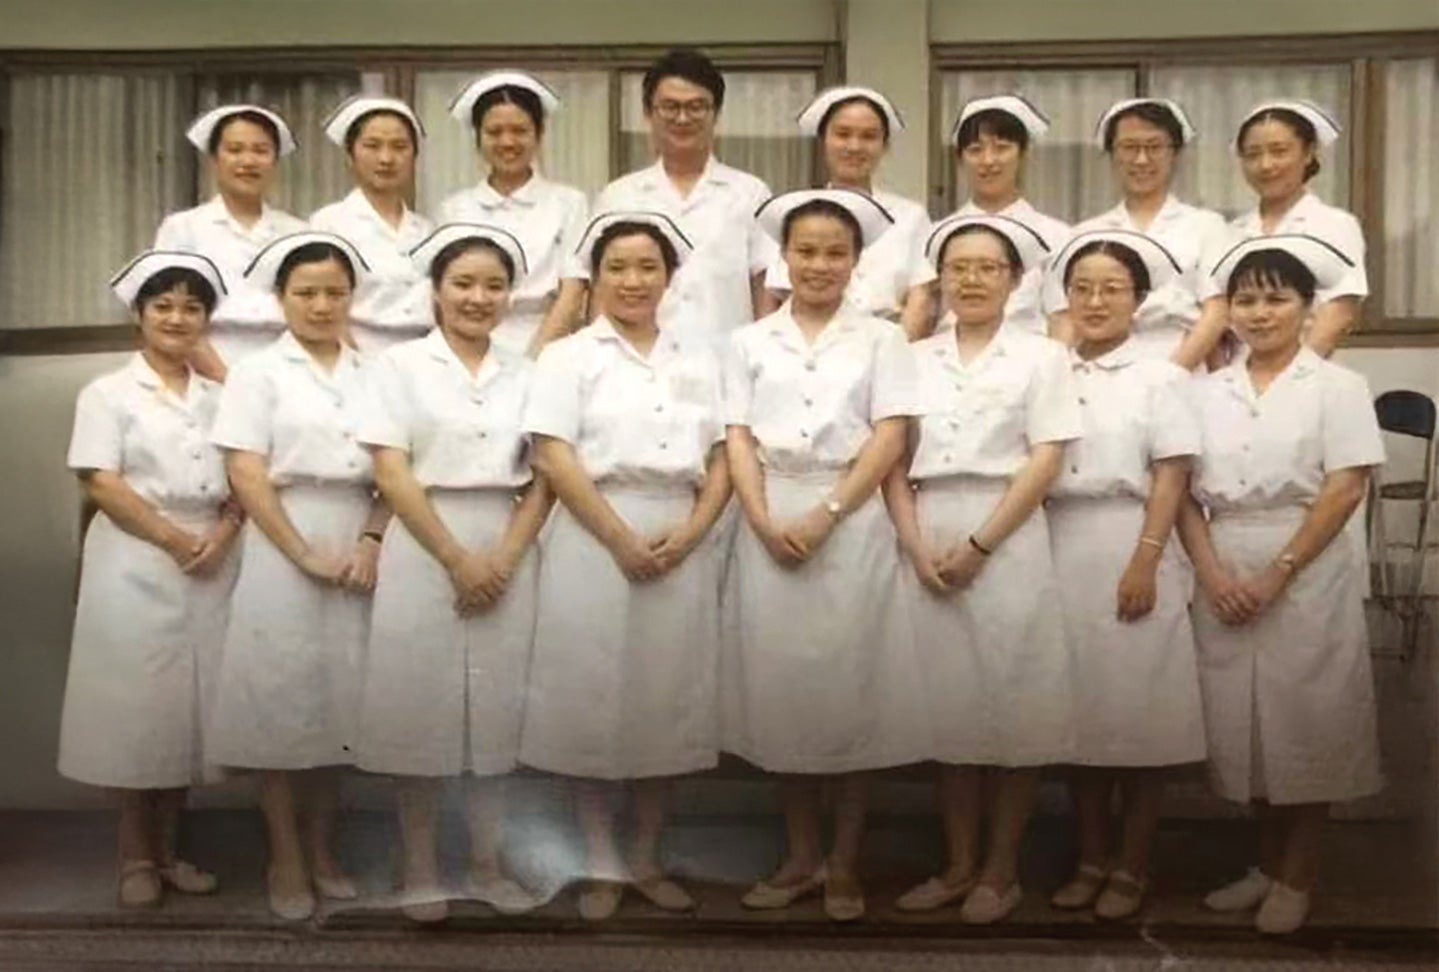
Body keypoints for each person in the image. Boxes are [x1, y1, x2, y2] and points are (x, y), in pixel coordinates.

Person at [519, 211, 731, 921]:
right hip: (591, 533)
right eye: (617, 268)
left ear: (669, 277)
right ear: (595, 278)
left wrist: (694, 531)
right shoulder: (567, 357)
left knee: (662, 701)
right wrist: (615, 538)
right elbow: (553, 455)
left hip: (678, 534)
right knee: (592, 698)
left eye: (647, 268)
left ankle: (643, 855)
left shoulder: (701, 358)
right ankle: (598, 858)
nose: (633, 281)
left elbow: (725, 457)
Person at [724, 188, 924, 923]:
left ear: (855, 261)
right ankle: (800, 856)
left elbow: (889, 436)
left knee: (851, 694)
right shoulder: (747, 343)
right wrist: (762, 516)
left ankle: (844, 862)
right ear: (782, 257)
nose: (818, 264)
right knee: (786, 701)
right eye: (804, 251)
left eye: (834, 252)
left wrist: (829, 512)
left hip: (850, 524)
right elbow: (737, 436)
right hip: (770, 519)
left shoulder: (882, 340)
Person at [1178, 234, 1383, 935]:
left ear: (1307, 308)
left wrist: (1276, 574)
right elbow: (1179, 493)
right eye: (1245, 299)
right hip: (1224, 561)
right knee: (1247, 726)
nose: (1259, 313)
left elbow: (1344, 486)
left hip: (1305, 564)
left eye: (1276, 299)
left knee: (1306, 720)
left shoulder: (1337, 387)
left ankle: (1298, 874)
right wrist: (1210, 573)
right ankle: (1263, 865)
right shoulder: (1204, 391)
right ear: (1226, 310)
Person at [885, 213, 1080, 925]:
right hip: (927, 528)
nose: (970, 280)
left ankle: (1001, 870)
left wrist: (980, 546)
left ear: (1015, 281)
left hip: (1006, 532)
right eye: (957, 269)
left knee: (1014, 706)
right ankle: (957, 864)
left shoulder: (1041, 357)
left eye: (986, 268)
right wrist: (915, 546)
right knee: (951, 713)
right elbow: (892, 461)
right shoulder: (912, 356)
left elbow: (1045, 458)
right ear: (939, 281)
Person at [355, 223, 550, 923]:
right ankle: (418, 869)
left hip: (506, 546)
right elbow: (391, 472)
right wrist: (454, 558)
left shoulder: (529, 372)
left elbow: (545, 477)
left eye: (493, 285)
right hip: (423, 544)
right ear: (435, 291)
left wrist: (501, 557)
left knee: (497, 714)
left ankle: (488, 864)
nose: (478, 297)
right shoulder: (396, 370)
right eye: (462, 283)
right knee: (421, 711)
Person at [205, 231, 387, 921]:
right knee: (280, 705)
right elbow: (246, 473)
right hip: (284, 538)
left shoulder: (374, 372)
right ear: (280, 298)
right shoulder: (258, 373)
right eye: (305, 293)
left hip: (356, 540)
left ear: (351, 298)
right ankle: (284, 856)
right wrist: (302, 552)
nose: (320, 305)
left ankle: (323, 850)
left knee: (340, 705)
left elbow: (392, 471)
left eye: (333, 293)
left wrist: (371, 539)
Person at [58, 251, 241, 909]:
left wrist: (218, 537)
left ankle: (170, 852)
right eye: (163, 305)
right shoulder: (107, 393)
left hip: (210, 560)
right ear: (139, 314)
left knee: (185, 713)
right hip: (136, 560)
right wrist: (173, 538)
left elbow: (245, 480)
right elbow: (100, 480)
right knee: (138, 711)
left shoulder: (223, 397)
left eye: (191, 307)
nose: (177, 318)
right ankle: (134, 857)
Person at [1041, 230, 1206, 921]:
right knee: (1078, 721)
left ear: (1138, 300)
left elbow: (1171, 472)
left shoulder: (1160, 376)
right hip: (1055, 543)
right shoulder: (1046, 369)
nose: (1095, 300)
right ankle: (1088, 857)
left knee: (1137, 719)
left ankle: (1131, 866)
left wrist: (1144, 558)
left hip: (1131, 540)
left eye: (1111, 288)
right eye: (1082, 288)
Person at [560, 47, 775, 351]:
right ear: (649, 113)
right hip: (638, 365)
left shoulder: (750, 193)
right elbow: (601, 292)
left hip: (726, 362)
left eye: (697, 106)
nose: (683, 118)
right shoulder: (619, 195)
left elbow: (764, 288)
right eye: (670, 107)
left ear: (716, 113)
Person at [1045, 98, 1229, 366]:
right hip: (1099, 368)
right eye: (1129, 147)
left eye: (1154, 147)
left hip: (1181, 365)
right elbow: (1064, 318)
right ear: (1111, 154)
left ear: (1174, 154)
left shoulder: (1207, 226)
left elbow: (1216, 312)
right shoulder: (1085, 234)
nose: (1141, 159)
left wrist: (1171, 373)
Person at [1189, 100, 1367, 361]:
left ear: (1308, 153)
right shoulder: (1229, 233)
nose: (1266, 165)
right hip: (1236, 379)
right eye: (1253, 154)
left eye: (1279, 151)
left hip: (1309, 373)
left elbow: (1339, 311)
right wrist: (1223, 380)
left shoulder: (1335, 224)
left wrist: (1294, 378)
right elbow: (1214, 314)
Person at [761, 85, 935, 338]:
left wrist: (895, 355)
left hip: (890, 342)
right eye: (843, 134)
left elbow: (921, 297)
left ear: (884, 146)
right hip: (810, 348)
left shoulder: (910, 216)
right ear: (824, 141)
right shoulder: (798, 213)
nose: (854, 146)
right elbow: (775, 295)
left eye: (868, 136)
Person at [439, 71, 588, 356]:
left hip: (551, 346)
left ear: (539, 133)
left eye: (520, 131)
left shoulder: (569, 203)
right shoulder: (455, 208)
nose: (507, 142)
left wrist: (536, 358)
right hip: (469, 347)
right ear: (478, 137)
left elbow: (572, 290)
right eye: (494, 132)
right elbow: (445, 294)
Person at [155, 104, 306, 372]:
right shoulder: (182, 228)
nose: (248, 161)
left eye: (261, 151)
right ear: (214, 160)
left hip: (288, 365)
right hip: (205, 363)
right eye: (235, 150)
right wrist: (224, 379)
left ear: (274, 161)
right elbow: (172, 316)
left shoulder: (298, 232)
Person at [933, 94, 1069, 335]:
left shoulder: (1056, 236)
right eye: (975, 150)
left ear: (1024, 153)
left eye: (1002, 148)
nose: (988, 160)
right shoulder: (937, 234)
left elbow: (1062, 319)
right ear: (960, 159)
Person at [310, 95, 434, 354]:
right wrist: (358, 364)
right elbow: (323, 304)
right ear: (350, 154)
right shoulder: (329, 223)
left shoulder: (427, 229)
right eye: (372, 146)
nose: (386, 158)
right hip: (354, 354)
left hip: (424, 358)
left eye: (400, 147)